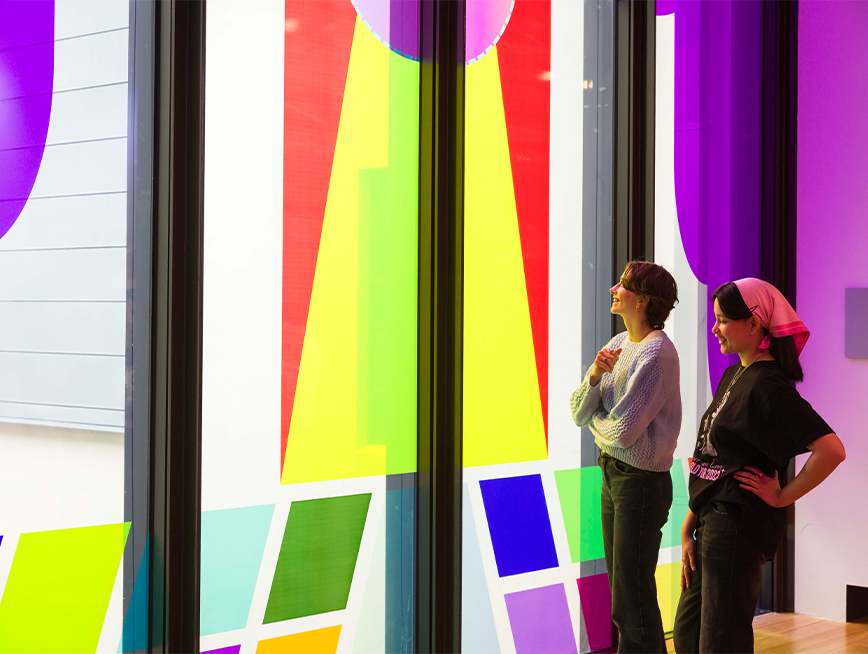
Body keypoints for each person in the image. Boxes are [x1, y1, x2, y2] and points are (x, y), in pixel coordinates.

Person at [673, 278, 846, 654]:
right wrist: (689, 526)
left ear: (753, 325)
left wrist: (782, 495)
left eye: (723, 320)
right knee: (688, 634)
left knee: (721, 641)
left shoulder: (768, 386)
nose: (715, 328)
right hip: (710, 524)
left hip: (736, 528)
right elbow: (714, 458)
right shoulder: (734, 373)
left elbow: (831, 449)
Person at [571, 261, 682, 654]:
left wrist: (595, 423)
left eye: (623, 285)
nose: (613, 289)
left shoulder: (656, 353)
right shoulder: (620, 342)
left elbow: (622, 432)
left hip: (641, 482)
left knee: (631, 598)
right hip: (614, 476)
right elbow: (578, 411)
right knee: (624, 592)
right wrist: (596, 379)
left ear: (645, 300)